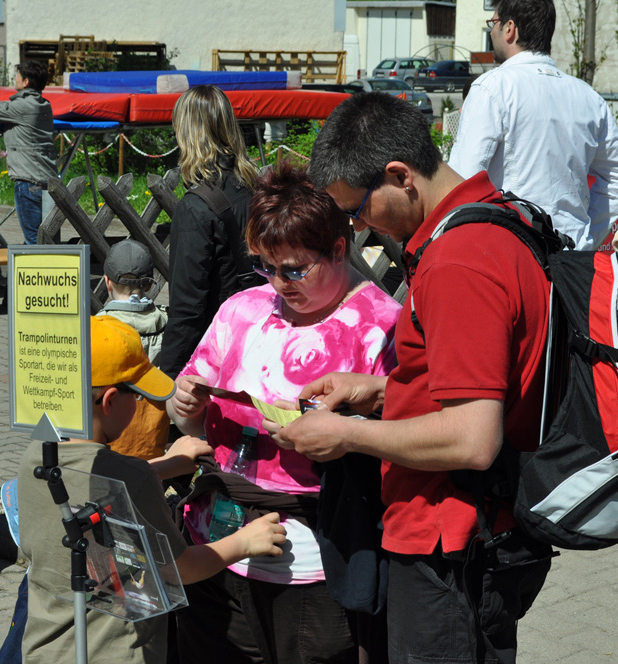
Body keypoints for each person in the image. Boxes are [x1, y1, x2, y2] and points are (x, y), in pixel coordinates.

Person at [274, 91, 555, 664]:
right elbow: (485, 378)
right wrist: (381, 390)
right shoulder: (499, 219)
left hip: (450, 541)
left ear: (401, 176)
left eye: (357, 209)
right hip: (479, 529)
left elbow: (473, 439)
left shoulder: (458, 262)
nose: (356, 225)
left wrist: (346, 434)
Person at [167, 162, 401, 663]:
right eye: (265, 266)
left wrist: (338, 435)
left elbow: (401, 443)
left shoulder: (379, 325)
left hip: (314, 559)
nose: (278, 284)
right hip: (217, 547)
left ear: (338, 249)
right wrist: (184, 406)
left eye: (294, 269)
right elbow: (193, 422)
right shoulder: (242, 309)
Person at [18, 315, 286, 664]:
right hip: (114, 652)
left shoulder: (38, 456)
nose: (143, 406)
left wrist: (163, 465)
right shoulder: (133, 477)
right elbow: (180, 569)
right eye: (139, 396)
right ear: (110, 400)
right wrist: (246, 541)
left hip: (48, 645)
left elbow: (87, 484)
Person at [447, 0, 618, 250]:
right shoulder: (589, 97)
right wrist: (587, 237)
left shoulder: (492, 87)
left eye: (493, 23)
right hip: (571, 257)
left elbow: (462, 181)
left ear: (509, 29)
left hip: (509, 253)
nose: (492, 32)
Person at [160, 84, 261, 379]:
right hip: (259, 340)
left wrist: (169, 379)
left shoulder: (196, 206)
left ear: (186, 133)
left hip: (216, 353)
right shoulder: (255, 190)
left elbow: (187, 310)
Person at [98, 238, 170, 460]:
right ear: (148, 285)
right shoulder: (166, 322)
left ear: (107, 282)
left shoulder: (99, 327)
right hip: (153, 437)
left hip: (111, 440)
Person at [0, 60, 57, 244]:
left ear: (26, 82)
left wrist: (5, 117)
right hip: (49, 182)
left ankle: (36, 264)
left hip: (28, 181)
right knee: (49, 239)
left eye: (17, 76)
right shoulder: (45, 105)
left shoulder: (22, 107)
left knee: (34, 241)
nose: (15, 79)